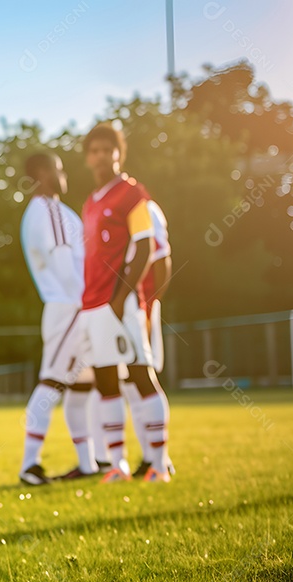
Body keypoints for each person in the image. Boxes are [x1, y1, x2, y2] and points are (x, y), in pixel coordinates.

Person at [79, 123, 172, 483]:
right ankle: (117, 465)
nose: (102, 156)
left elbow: (147, 247)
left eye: (108, 149)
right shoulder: (91, 201)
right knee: (106, 382)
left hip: (122, 303)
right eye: (95, 150)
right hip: (92, 306)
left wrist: (121, 299)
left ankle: (159, 464)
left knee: (140, 376)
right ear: (88, 158)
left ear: (119, 153)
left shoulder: (133, 195)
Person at [17, 152, 98, 485]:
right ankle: (29, 466)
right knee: (50, 383)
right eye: (59, 169)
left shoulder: (51, 210)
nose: (64, 175)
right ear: (42, 173)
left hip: (72, 307)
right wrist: (88, 302)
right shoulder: (47, 210)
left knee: (83, 387)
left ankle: (89, 464)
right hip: (70, 307)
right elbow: (64, 263)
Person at [124, 200, 175, 477]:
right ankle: (148, 457)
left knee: (144, 377)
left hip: (140, 306)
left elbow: (161, 259)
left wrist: (152, 304)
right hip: (121, 308)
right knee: (129, 383)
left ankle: (161, 460)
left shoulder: (144, 207)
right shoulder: (106, 206)